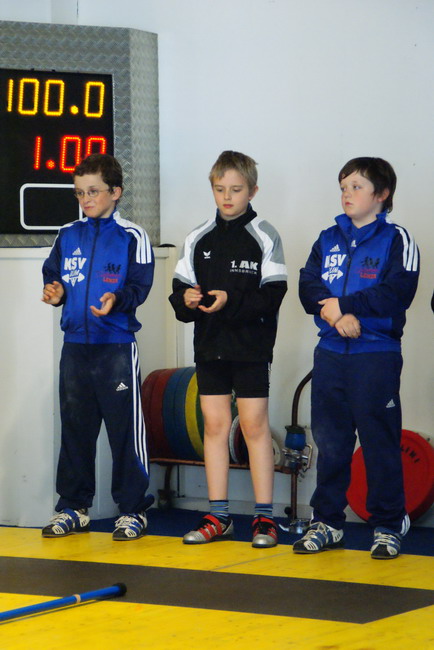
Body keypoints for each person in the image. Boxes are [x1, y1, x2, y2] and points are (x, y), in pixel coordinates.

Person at [297, 156, 419, 559]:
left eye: (357, 187)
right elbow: (307, 286)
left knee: (379, 443)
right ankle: (328, 522)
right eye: (343, 187)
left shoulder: (397, 239)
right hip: (331, 354)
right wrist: (334, 314)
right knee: (330, 443)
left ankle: (388, 524)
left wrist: (345, 306)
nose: (347, 194)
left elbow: (398, 292)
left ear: (382, 194)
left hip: (376, 356)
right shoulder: (328, 237)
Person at [169, 150, 287, 548]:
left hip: (251, 349)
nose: (227, 197)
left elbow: (273, 294)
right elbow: (179, 294)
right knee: (215, 427)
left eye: (236, 190)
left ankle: (265, 518)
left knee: (254, 426)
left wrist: (229, 300)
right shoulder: (197, 236)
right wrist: (186, 300)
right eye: (220, 189)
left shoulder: (265, 235)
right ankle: (218, 516)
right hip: (210, 348)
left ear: (253, 191)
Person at [41, 153, 154, 541]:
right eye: (79, 193)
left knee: (125, 433)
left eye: (93, 191)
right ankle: (73, 507)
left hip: (116, 348)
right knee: (75, 429)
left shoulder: (132, 236)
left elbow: (139, 287)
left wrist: (116, 300)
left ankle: (133, 510)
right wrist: (55, 293)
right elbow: (53, 277)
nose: (85, 199)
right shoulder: (67, 234)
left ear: (115, 192)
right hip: (75, 348)